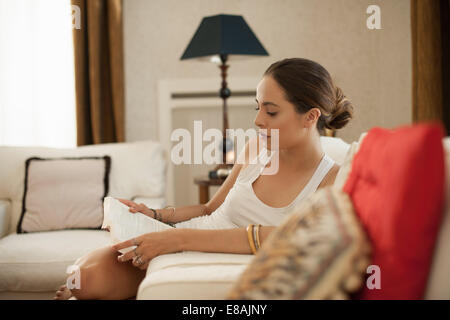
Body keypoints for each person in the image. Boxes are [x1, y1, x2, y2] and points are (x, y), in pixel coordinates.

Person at [54, 57, 354, 300]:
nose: (258, 119)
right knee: (81, 275)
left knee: (86, 281)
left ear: (311, 117)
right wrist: (155, 215)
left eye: (271, 111)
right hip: (182, 237)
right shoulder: (255, 150)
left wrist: (175, 239)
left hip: (192, 247)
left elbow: (282, 237)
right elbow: (209, 209)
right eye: (258, 106)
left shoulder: (330, 181)